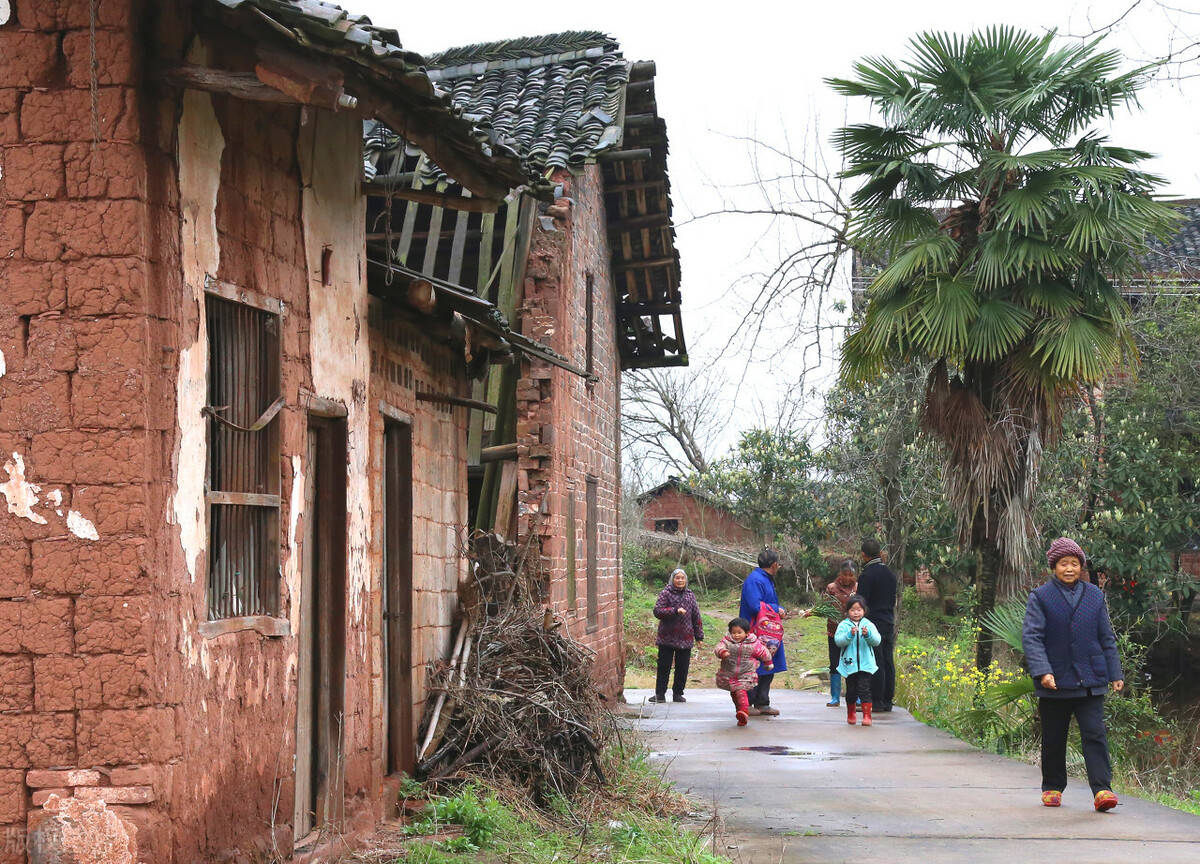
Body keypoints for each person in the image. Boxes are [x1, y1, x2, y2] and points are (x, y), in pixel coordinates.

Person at [1022, 537, 1124, 812]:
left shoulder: (1094, 595)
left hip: (1091, 679)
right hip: (1055, 681)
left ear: (1081, 566)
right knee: (1054, 736)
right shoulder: (1041, 597)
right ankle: (1053, 787)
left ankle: (1102, 789)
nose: (1069, 569)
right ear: (1054, 567)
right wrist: (1043, 671)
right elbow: (1032, 637)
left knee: (1095, 734)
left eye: (1075, 563)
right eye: (1064, 563)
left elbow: (1106, 637)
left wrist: (1115, 672)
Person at [740, 548, 788, 716]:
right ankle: (747, 704)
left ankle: (762, 702)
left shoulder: (765, 579)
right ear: (774, 565)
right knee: (753, 667)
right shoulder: (755, 580)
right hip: (755, 632)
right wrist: (776, 608)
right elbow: (754, 605)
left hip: (768, 632)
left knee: (768, 665)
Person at [805, 559, 858, 707]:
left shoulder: (858, 588)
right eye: (844, 574)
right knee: (835, 663)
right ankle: (835, 697)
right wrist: (814, 612)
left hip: (853, 633)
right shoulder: (832, 588)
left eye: (851, 575)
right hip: (834, 632)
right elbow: (824, 606)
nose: (847, 578)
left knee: (852, 663)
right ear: (840, 573)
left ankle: (855, 696)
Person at [649, 568, 704, 703]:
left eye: (682, 578)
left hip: (685, 637)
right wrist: (674, 611)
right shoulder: (665, 593)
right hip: (667, 637)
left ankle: (678, 693)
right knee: (664, 667)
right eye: (677, 578)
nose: (680, 580)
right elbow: (657, 611)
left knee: (682, 668)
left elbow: (696, 616)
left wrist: (699, 636)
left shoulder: (690, 595)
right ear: (672, 579)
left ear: (685, 580)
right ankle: (660, 694)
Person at [857, 538, 897, 711]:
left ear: (863, 555)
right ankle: (888, 700)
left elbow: (861, 603)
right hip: (888, 621)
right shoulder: (890, 574)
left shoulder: (867, 575)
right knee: (888, 660)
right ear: (880, 554)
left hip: (873, 623)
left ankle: (876, 701)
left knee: (875, 660)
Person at [833, 594, 882, 726]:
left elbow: (877, 641)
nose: (856, 612)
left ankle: (867, 716)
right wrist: (849, 635)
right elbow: (838, 641)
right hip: (850, 664)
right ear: (847, 611)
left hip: (866, 664)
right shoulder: (844, 625)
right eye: (853, 610)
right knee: (851, 691)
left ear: (864, 611)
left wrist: (868, 635)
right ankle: (851, 713)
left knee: (864, 689)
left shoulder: (868, 624)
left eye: (859, 610)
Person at [715, 617, 774, 726]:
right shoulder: (727, 642)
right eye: (733, 632)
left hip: (746, 673)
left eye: (739, 632)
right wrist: (722, 652)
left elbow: (764, 652)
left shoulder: (753, 643)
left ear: (747, 633)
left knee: (740, 691)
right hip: (729, 673)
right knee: (734, 693)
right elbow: (718, 647)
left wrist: (768, 663)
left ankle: (744, 711)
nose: (736, 635)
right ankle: (740, 713)